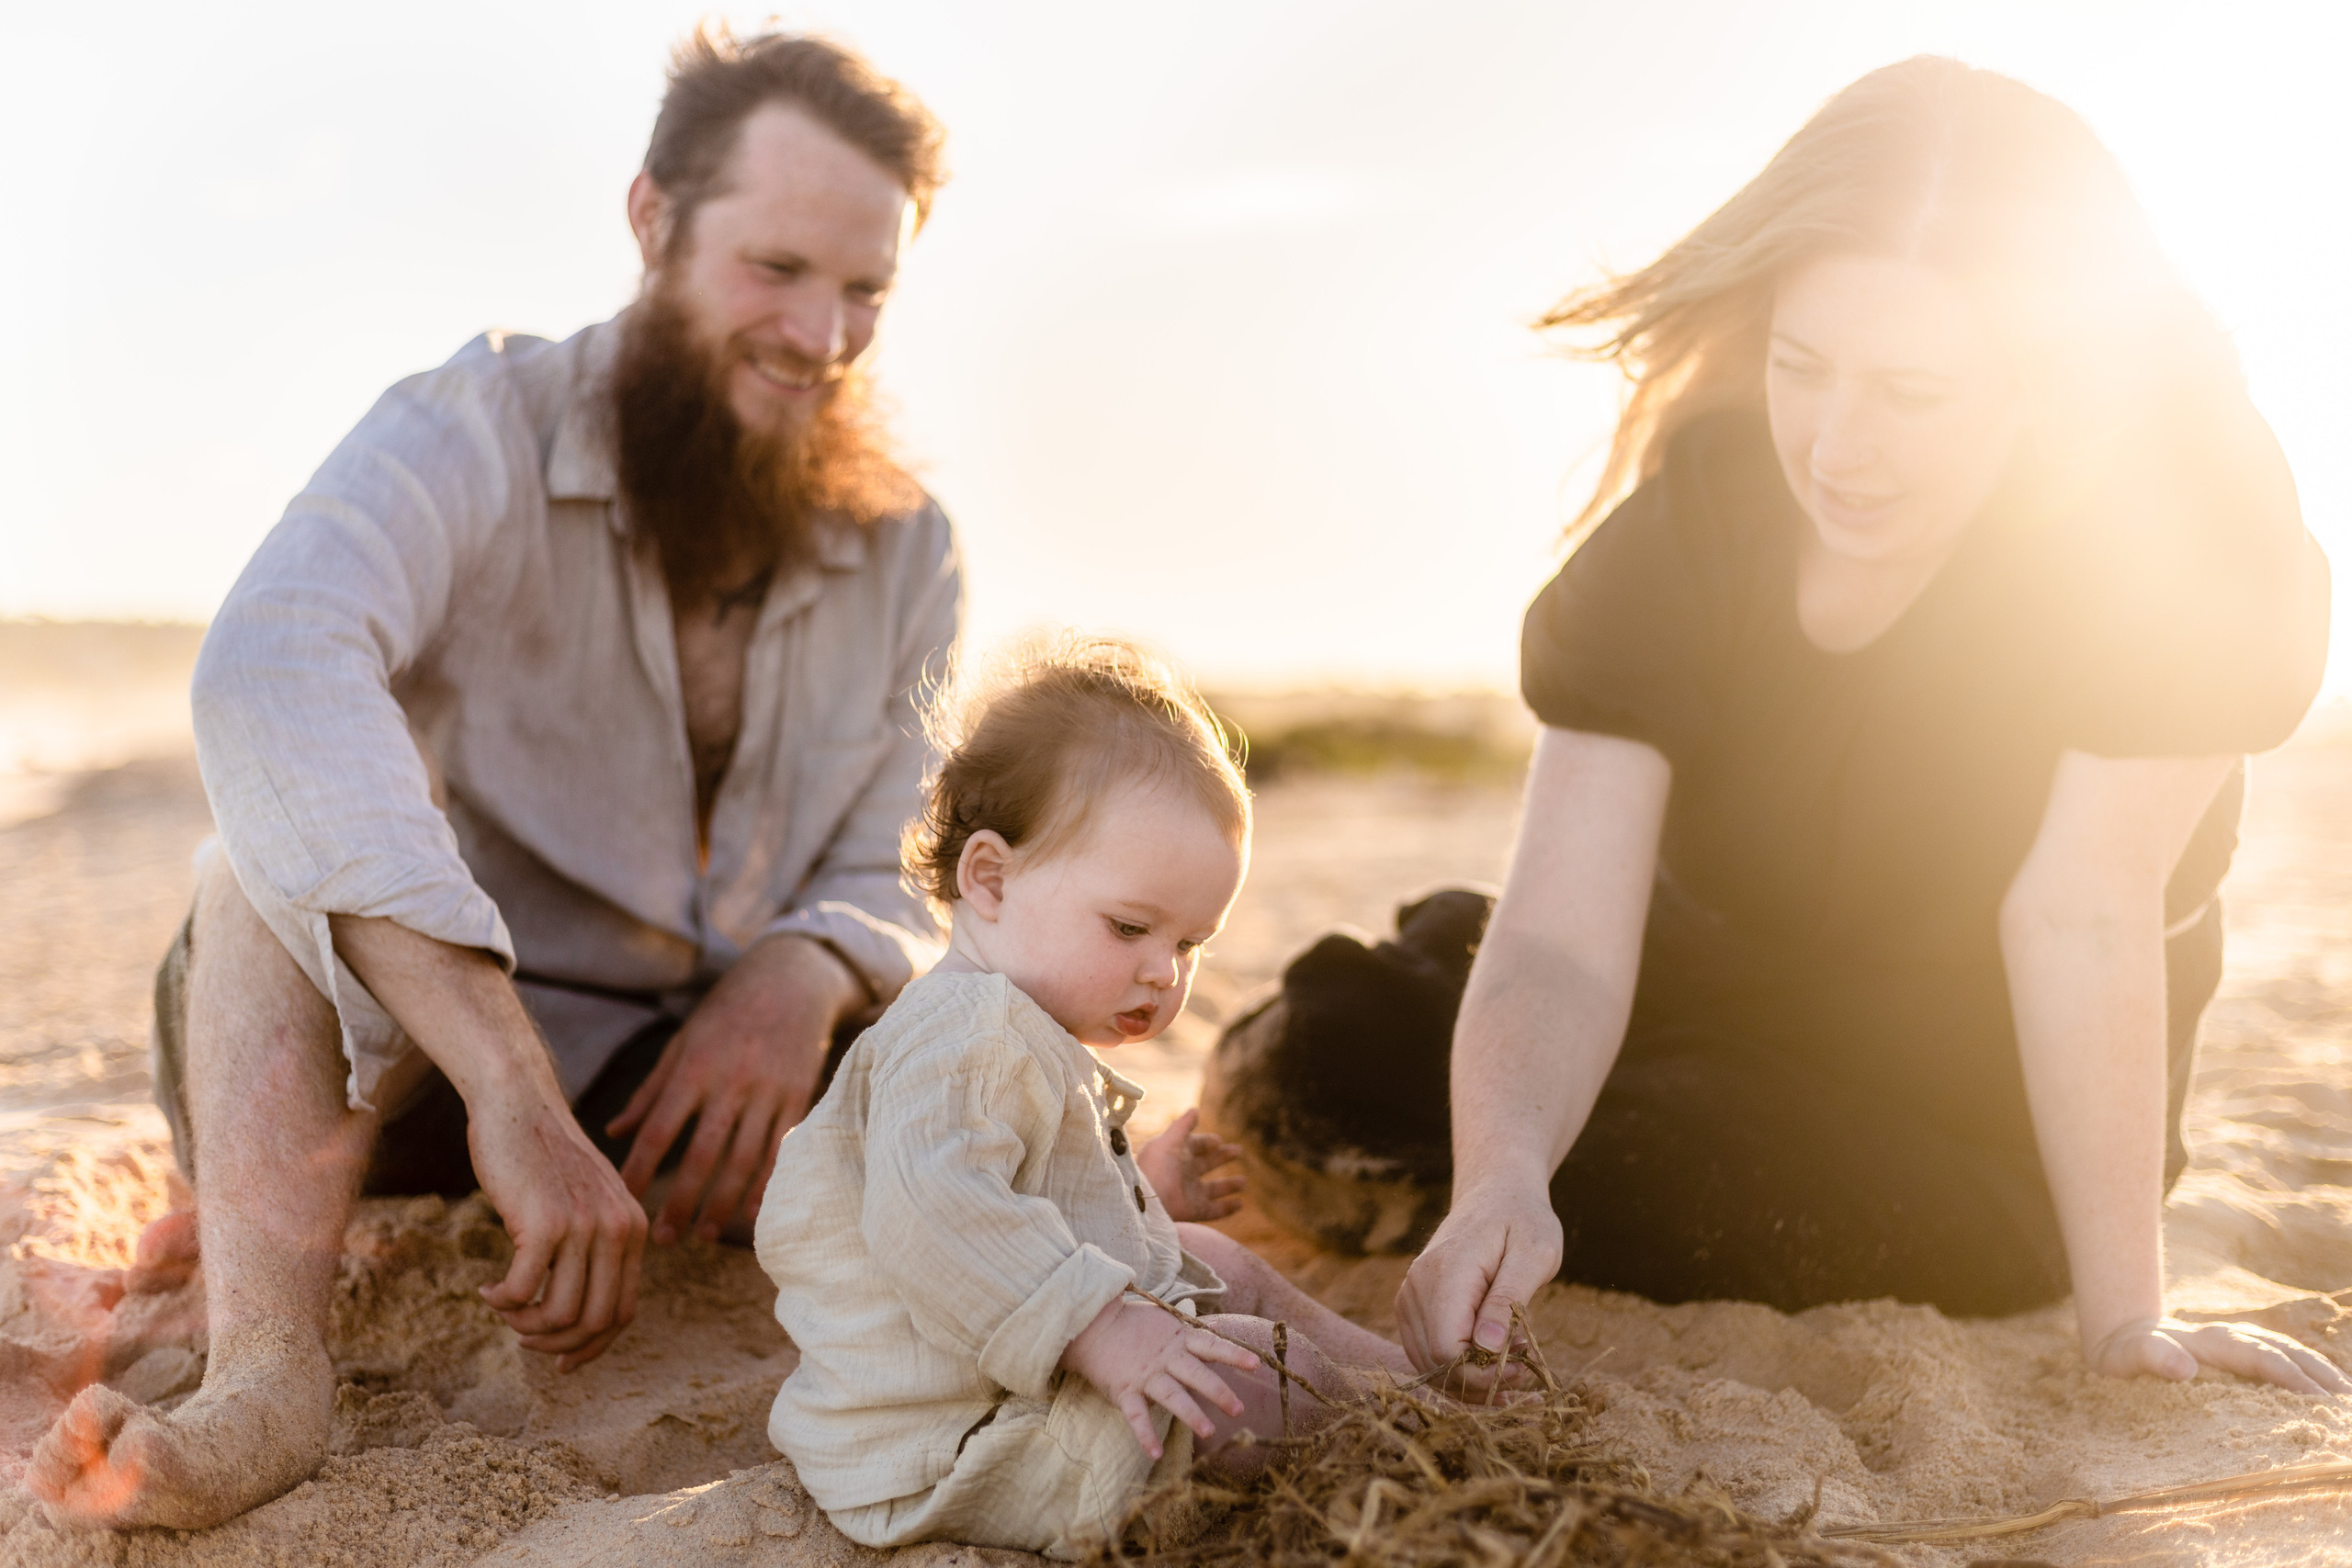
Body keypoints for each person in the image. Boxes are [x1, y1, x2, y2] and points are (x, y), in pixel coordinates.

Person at [30, 27, 961, 1531]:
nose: (823, 336)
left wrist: (804, 968)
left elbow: (904, 845)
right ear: (654, 220)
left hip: (698, 1092)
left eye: (867, 292)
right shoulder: (466, 426)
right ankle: (267, 1375)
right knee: (241, 871)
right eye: (777, 270)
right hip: (409, 1062)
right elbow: (270, 661)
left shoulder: (911, 540)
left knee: (981, 985)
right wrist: (508, 1086)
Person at [1360, 59, 2341, 1393]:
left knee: (1651, 1169)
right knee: (1368, 1035)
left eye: (1911, 392)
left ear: (2045, 384)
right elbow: (1554, 935)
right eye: (1802, 366)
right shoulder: (1703, 513)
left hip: (1965, 1114)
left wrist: (2125, 1323)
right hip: (1708, 1005)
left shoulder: (2176, 529)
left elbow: (2082, 911)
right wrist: (1501, 1179)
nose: (1834, 444)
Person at [757, 640, 1413, 1557]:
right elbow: (934, 1217)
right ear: (990, 879)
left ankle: (1411, 1389)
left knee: (1222, 1258)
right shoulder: (962, 1037)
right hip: (956, 1439)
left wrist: (1141, 1195)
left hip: (1013, 1389)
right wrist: (1102, 1325)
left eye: (1191, 944)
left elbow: (1019, 1195)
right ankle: (1411, 1438)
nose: (1162, 972)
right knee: (1264, 1376)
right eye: (1131, 927)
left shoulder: (1008, 1026)